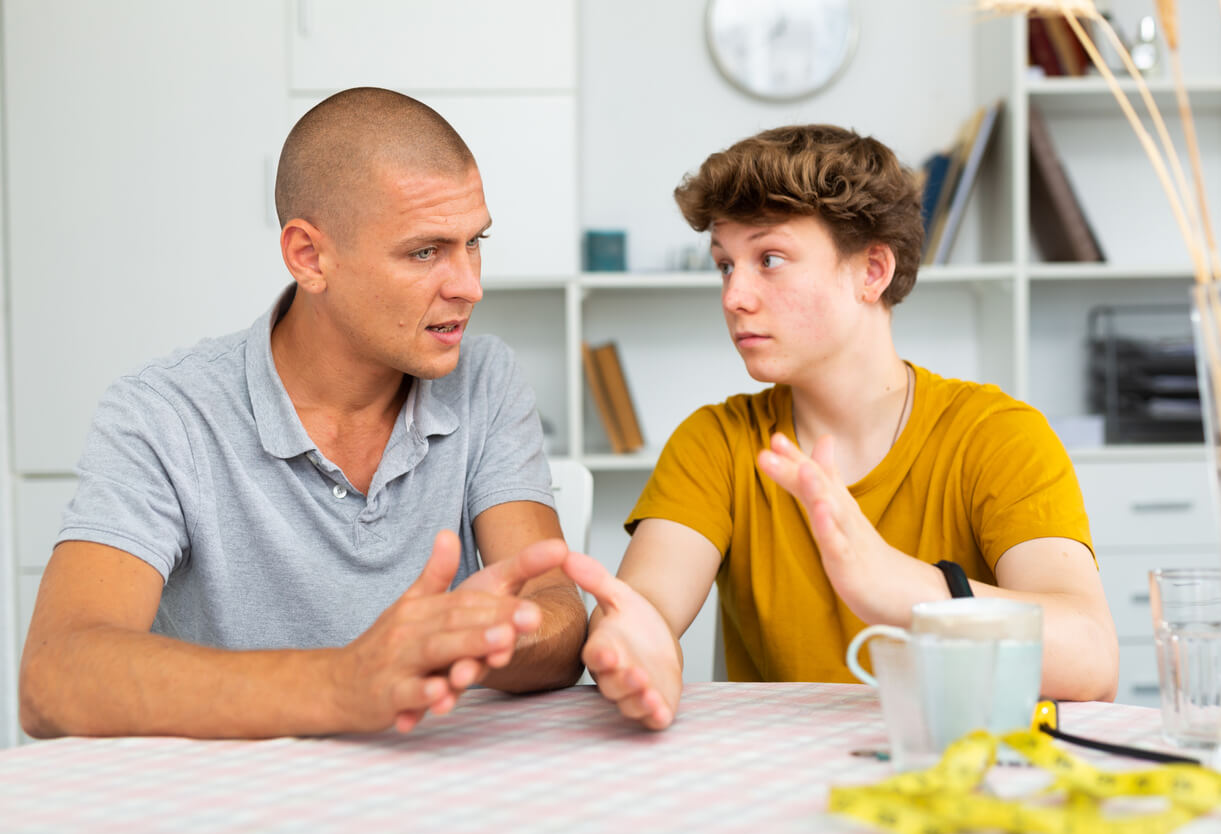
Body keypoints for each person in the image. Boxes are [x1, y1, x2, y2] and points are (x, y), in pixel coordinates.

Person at [19, 87, 587, 739]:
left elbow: (557, 613)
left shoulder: (484, 379)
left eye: (474, 242)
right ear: (310, 257)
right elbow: (54, 677)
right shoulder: (164, 413)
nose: (469, 285)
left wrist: (491, 637)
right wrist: (348, 683)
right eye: (425, 252)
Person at [564, 124, 1119, 730]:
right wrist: (629, 645)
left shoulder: (998, 435)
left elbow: (1090, 657)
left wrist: (896, 587)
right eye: (725, 265)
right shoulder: (716, 441)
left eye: (769, 259)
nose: (734, 296)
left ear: (872, 270)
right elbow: (645, 611)